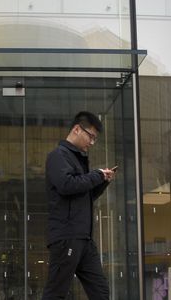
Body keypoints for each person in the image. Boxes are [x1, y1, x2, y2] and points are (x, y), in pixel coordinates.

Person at [41, 111, 117, 300]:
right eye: (91, 136)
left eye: (95, 139)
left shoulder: (77, 159)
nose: (92, 142)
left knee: (100, 291)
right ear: (76, 129)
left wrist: (103, 181)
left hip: (84, 239)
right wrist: (96, 175)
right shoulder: (58, 156)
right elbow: (67, 185)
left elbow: (85, 195)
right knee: (56, 292)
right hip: (67, 236)